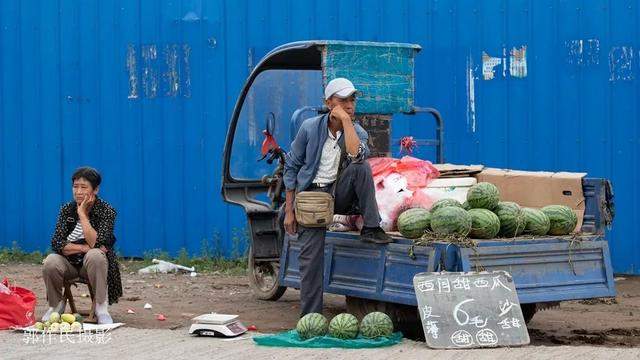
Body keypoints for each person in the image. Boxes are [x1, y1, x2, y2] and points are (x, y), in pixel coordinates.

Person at [283, 77, 391, 316]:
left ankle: (371, 227)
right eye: (343, 100)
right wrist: (289, 211)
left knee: (361, 167)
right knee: (310, 262)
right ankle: (311, 319)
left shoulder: (357, 131)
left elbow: (356, 155)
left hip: (340, 195)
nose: (350, 104)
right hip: (312, 199)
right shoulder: (309, 128)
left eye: (352, 99)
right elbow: (291, 167)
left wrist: (346, 122)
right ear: (329, 102)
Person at [42, 167, 122, 324]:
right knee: (50, 261)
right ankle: (55, 306)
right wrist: (83, 248)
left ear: (96, 189)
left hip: (91, 266)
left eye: (83, 187)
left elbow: (99, 243)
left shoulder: (107, 211)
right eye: (75, 186)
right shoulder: (66, 209)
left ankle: (101, 307)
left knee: (96, 255)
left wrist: (83, 215)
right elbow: (57, 243)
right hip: (69, 264)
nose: (78, 191)